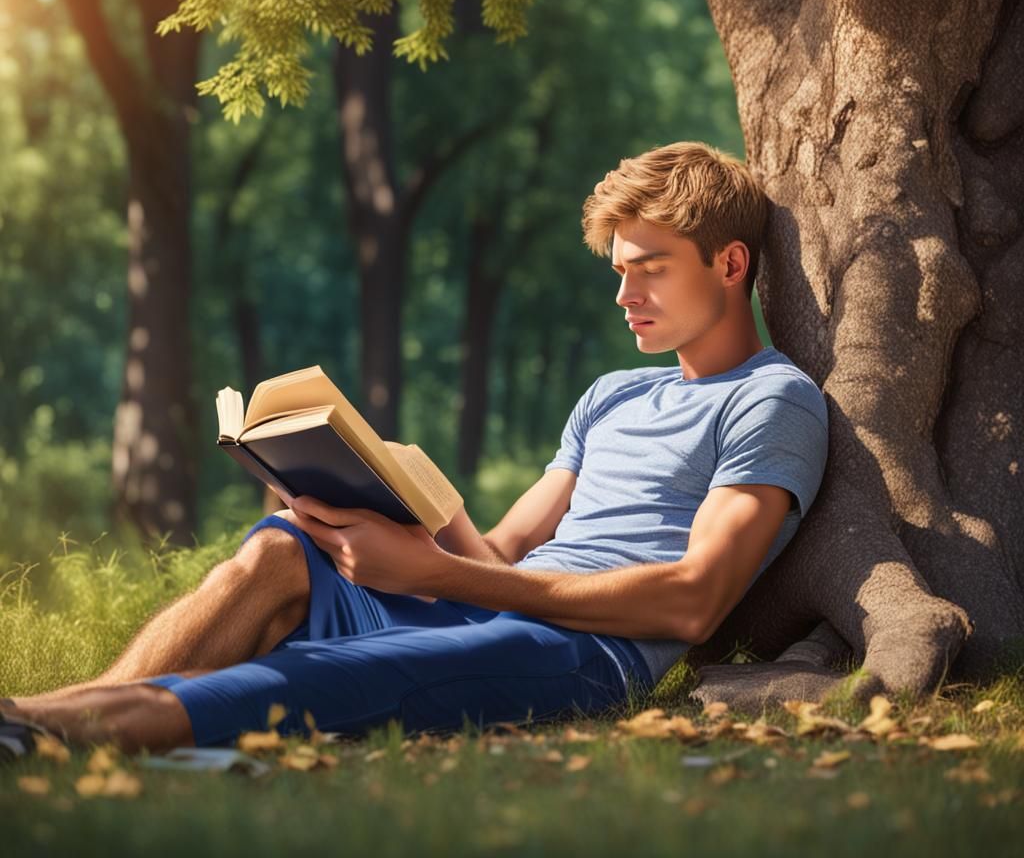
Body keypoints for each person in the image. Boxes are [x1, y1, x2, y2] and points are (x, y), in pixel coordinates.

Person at [0, 141, 828, 756]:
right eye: (618, 269)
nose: (623, 294)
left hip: (584, 649)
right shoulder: (613, 395)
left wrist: (435, 573)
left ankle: (46, 729)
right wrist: (385, 501)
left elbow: (691, 600)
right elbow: (502, 551)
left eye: (648, 268)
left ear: (729, 264)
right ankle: (50, 718)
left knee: (318, 683)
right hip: (495, 597)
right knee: (278, 553)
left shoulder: (773, 398)